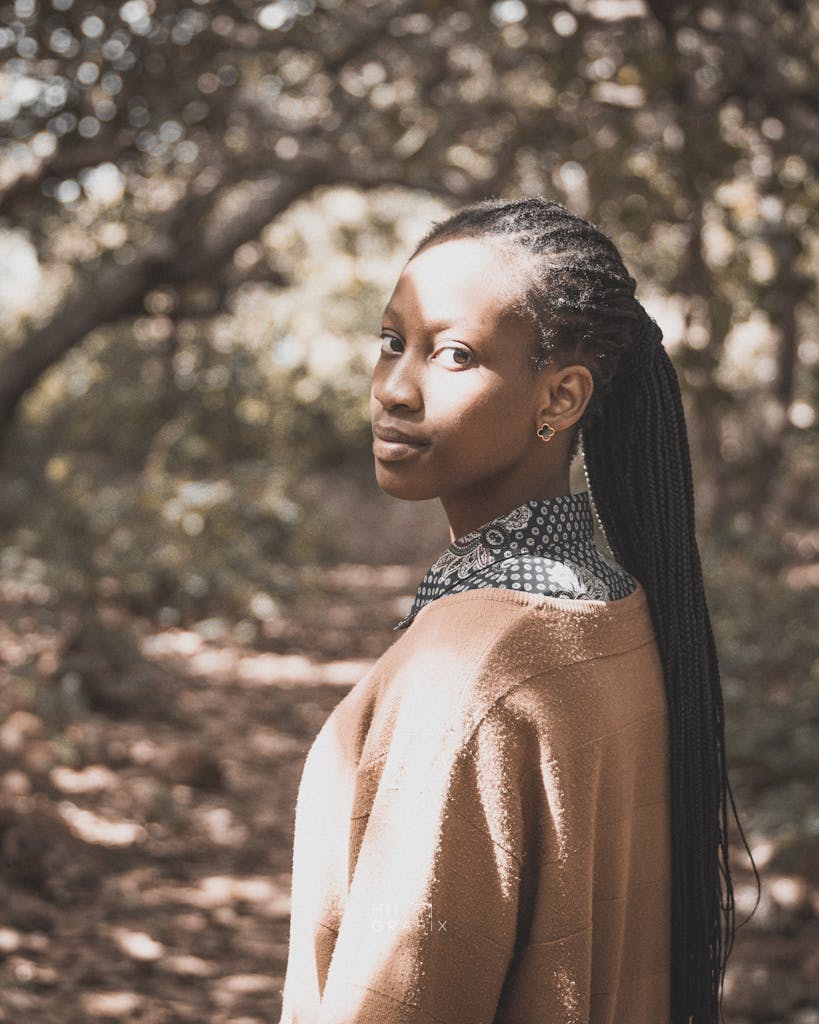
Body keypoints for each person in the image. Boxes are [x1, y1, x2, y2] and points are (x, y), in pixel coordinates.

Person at [277, 196, 754, 1024]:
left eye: (452, 355)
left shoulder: (469, 676)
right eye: (393, 343)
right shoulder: (616, 607)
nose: (393, 388)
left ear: (561, 398)